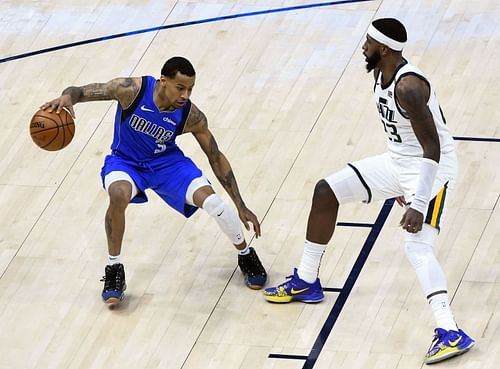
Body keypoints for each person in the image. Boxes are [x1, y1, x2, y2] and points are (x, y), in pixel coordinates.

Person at [263, 18, 474, 364]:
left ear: (385, 49)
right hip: (398, 161)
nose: (363, 46)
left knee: (417, 247)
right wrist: (392, 183)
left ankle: (450, 331)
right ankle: (307, 279)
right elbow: (401, 137)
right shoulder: (381, 73)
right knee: (325, 192)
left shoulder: (408, 87)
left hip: (431, 170)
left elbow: (432, 148)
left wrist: (418, 200)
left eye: (369, 42)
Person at [42, 56, 267, 307]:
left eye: (190, 89)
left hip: (167, 164)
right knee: (118, 194)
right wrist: (67, 97)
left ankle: (245, 255)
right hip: (126, 161)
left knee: (216, 205)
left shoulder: (190, 115)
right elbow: (82, 92)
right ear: (163, 82)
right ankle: (114, 269)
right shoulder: (131, 91)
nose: (185, 94)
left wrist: (240, 204)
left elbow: (215, 156)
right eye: (180, 87)